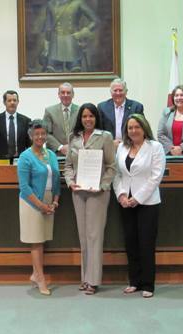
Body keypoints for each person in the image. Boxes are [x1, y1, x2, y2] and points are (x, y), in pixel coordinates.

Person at [64, 103, 116, 295]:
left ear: (96, 118)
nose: (88, 119)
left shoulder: (105, 137)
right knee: (83, 236)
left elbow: (112, 166)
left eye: (91, 116)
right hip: (78, 192)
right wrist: (70, 182)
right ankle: (85, 278)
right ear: (80, 118)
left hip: (98, 193)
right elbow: (68, 166)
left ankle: (93, 281)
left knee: (95, 236)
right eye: (85, 116)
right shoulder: (74, 138)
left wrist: (102, 185)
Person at [113, 114, 165, 298]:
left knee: (146, 243)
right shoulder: (122, 147)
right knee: (131, 243)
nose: (133, 131)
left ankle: (148, 284)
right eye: (130, 128)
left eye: (137, 127)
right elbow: (117, 174)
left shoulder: (155, 147)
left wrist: (138, 197)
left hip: (147, 203)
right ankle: (134, 281)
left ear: (144, 128)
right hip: (125, 203)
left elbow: (156, 176)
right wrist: (121, 195)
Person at [17, 120, 61, 296]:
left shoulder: (50, 154)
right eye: (37, 134)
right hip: (31, 203)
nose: (40, 137)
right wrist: (41, 205)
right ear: (31, 136)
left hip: (49, 200)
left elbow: (57, 179)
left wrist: (55, 200)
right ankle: (41, 278)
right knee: (36, 241)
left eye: (43, 134)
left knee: (42, 240)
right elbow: (24, 187)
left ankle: (35, 274)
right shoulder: (25, 157)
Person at [43, 0, 98, 72]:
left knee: (75, 75)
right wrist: (46, 45)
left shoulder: (78, 3)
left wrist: (82, 33)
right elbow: (48, 27)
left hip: (72, 44)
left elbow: (95, 21)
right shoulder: (51, 4)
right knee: (52, 75)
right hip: (54, 46)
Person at [0, 90, 31, 164]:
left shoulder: (26, 121)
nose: (12, 103)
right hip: (0, 161)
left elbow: (29, 145)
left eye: (14, 100)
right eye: (9, 100)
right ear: (4, 102)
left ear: (18, 102)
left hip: (20, 162)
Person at [98, 78, 144, 146]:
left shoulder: (136, 107)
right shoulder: (102, 107)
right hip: (109, 146)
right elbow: (99, 130)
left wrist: (125, 143)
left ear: (126, 91)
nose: (118, 93)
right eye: (115, 90)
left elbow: (141, 129)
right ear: (111, 92)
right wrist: (111, 143)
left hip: (131, 145)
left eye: (120, 90)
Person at [43, 82, 79, 155]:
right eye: (63, 92)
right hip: (56, 154)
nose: (65, 95)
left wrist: (72, 147)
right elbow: (46, 133)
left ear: (73, 95)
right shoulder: (49, 111)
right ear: (58, 94)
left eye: (68, 93)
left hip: (76, 152)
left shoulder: (80, 111)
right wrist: (60, 147)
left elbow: (83, 132)